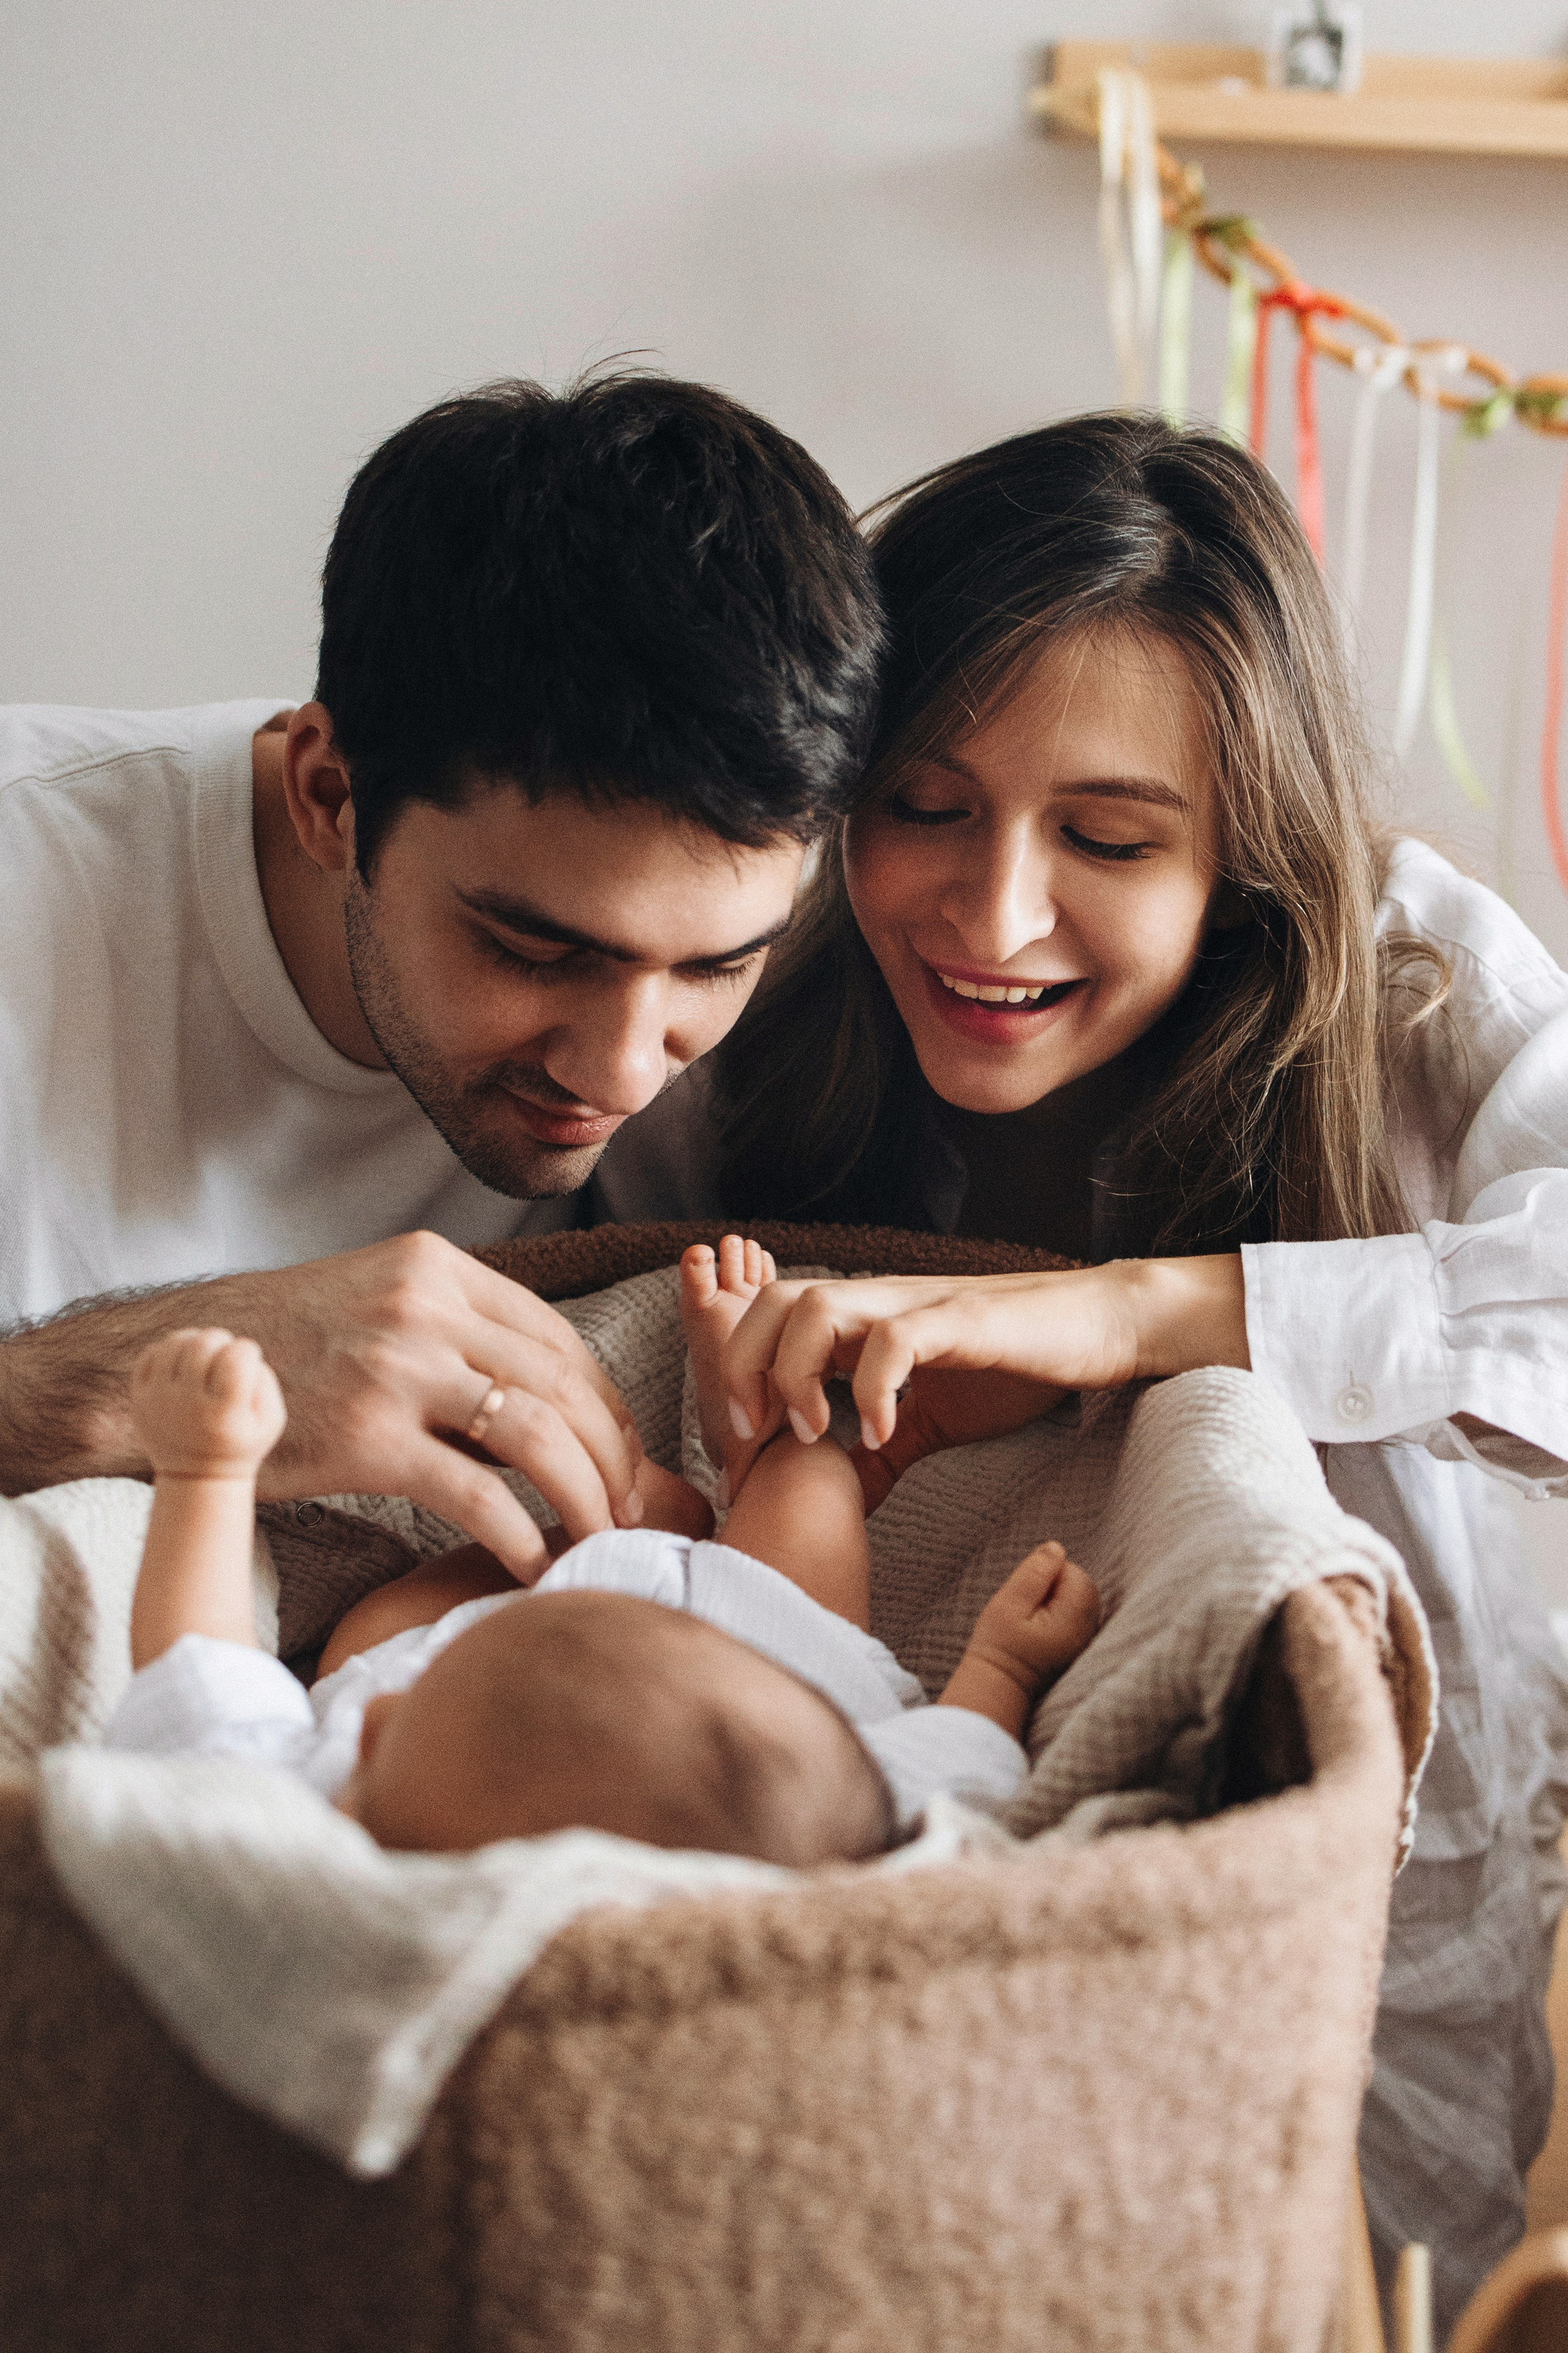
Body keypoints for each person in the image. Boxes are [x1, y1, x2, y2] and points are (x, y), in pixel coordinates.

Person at [627, 415, 1568, 2327]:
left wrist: (1131, 1318)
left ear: (1246, 854)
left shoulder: (1407, 987)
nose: (993, 920)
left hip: (1361, 1911)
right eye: (925, 807)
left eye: (1112, 842)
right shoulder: (760, 980)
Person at [0, 371, 883, 1577]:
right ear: (329, 794)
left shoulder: (812, 986)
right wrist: (145, 1383)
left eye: (715, 966)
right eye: (534, 952)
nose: (626, 1074)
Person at [105, 1239, 1099, 1859]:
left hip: (478, 1642)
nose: (371, 1724)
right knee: (812, 1482)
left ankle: (639, 1510)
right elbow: (955, 1775)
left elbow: (201, 1668)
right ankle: (759, 1425)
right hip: (771, 1659)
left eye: (373, 1772)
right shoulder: (823, 1826)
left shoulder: (297, 1854)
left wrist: (203, 1470)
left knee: (381, 1628)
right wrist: (1001, 1671)